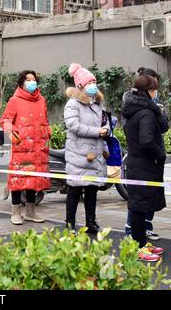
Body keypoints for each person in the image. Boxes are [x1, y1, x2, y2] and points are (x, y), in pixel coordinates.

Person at [122, 74, 167, 262]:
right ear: (148, 91)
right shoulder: (147, 113)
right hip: (144, 166)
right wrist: (161, 155)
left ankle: (140, 242)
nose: (155, 93)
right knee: (139, 208)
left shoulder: (133, 110)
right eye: (154, 89)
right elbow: (147, 140)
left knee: (138, 206)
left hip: (137, 164)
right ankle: (138, 246)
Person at [64, 63, 110, 234]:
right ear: (80, 86)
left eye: (93, 82)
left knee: (92, 189)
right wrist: (98, 131)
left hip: (96, 153)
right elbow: (73, 125)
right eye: (88, 83)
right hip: (78, 153)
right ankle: (70, 224)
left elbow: (106, 121)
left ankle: (91, 222)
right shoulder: (72, 104)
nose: (92, 86)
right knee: (75, 189)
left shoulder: (98, 103)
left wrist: (107, 129)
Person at [0, 70, 50, 225]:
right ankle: (15, 212)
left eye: (33, 79)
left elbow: (45, 120)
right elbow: (5, 119)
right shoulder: (15, 100)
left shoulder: (41, 100)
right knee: (18, 179)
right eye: (28, 79)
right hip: (22, 147)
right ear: (22, 83)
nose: (31, 82)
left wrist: (48, 131)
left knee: (33, 181)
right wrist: (11, 132)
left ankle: (30, 212)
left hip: (38, 147)